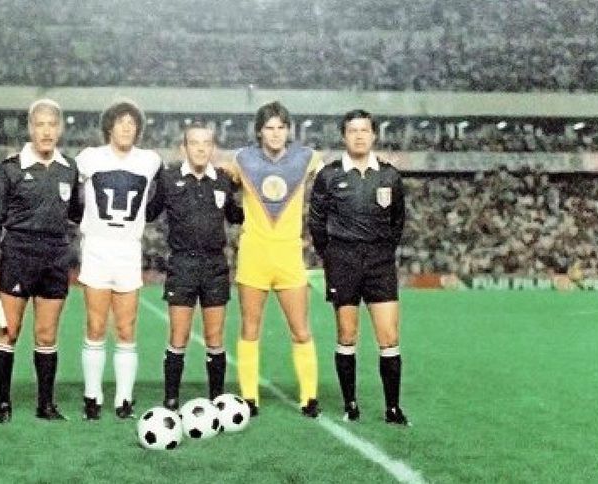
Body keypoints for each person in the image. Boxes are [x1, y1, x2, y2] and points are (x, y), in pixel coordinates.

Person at [0, 98, 82, 424]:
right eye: (40, 125)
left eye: (52, 124)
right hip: (18, 254)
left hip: (55, 258)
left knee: (47, 335)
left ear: (60, 129)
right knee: (9, 331)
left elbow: (77, 214)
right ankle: (3, 403)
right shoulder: (10, 168)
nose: (46, 131)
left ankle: (45, 405)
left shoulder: (70, 169)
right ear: (30, 128)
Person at [308, 109, 408, 425]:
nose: (359, 136)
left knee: (389, 336)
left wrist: (382, 250)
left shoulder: (389, 176)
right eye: (353, 130)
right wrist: (332, 255)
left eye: (365, 130)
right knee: (347, 334)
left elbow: (398, 221)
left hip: (379, 262)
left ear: (374, 135)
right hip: (343, 261)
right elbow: (316, 222)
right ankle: (350, 405)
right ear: (344, 136)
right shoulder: (329, 175)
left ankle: (392, 409)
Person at [224, 101, 322, 418]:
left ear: (288, 130)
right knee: (250, 328)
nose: (276, 133)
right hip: (254, 255)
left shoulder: (307, 158)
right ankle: (249, 398)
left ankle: (310, 397)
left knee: (301, 330)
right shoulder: (242, 159)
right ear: (259, 131)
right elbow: (223, 182)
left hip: (289, 256)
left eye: (281, 127)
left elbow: (332, 179)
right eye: (269, 127)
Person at [146, 121, 243, 410]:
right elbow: (148, 213)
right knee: (179, 335)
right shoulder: (168, 179)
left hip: (215, 265)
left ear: (213, 148)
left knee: (215, 337)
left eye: (206, 143)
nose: (200, 148)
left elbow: (236, 216)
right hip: (182, 264)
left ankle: (217, 399)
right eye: (194, 143)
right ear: (183, 148)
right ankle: (171, 400)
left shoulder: (223, 180)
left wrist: (249, 186)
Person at [76, 100, 162, 420]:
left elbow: (164, 193)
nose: (127, 127)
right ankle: (92, 395)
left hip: (128, 249)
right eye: (120, 122)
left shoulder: (150, 160)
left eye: (132, 123)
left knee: (126, 328)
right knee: (96, 325)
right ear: (109, 127)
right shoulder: (89, 157)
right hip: (97, 248)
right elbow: (67, 188)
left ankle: (124, 397)